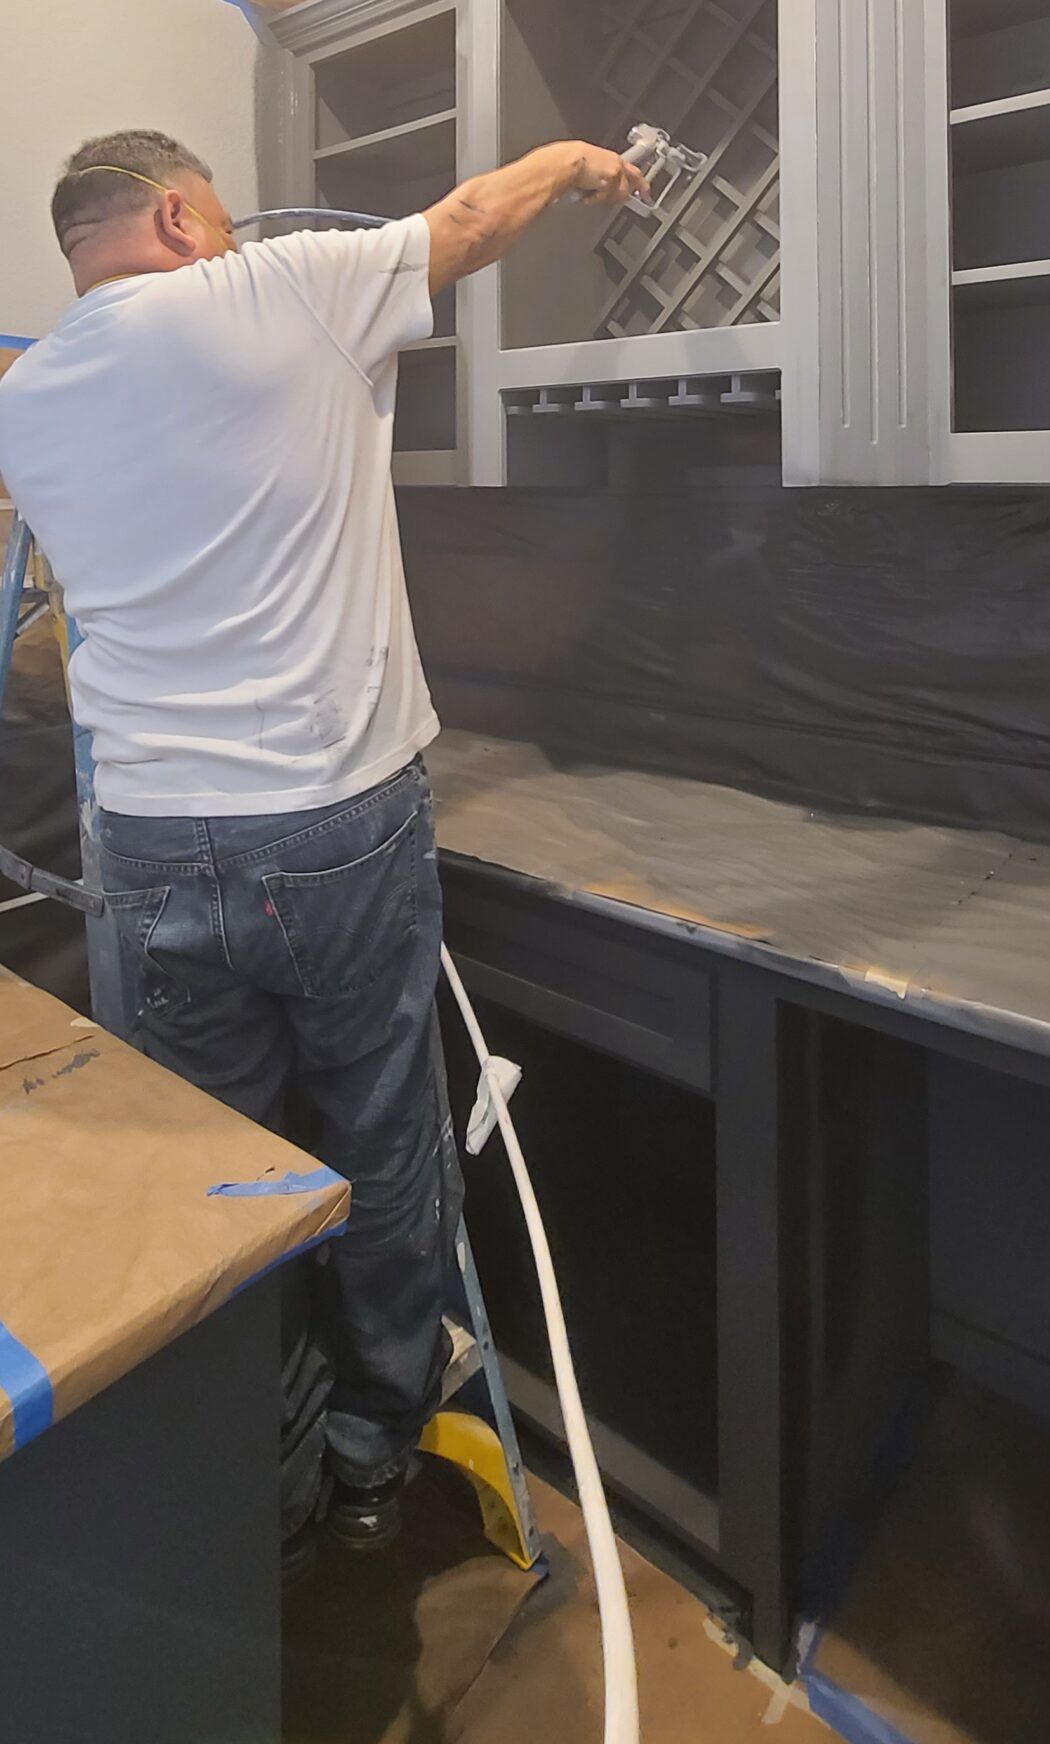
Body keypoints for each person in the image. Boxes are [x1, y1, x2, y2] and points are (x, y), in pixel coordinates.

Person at [0, 125, 645, 1576]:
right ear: (174, 215)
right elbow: (474, 218)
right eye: (217, 220)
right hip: (332, 825)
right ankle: (369, 1456)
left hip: (153, 844)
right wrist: (577, 160)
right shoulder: (282, 288)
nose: (232, 238)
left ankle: (255, 1482)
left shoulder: (25, 398)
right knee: (376, 1135)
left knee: (224, 1176)